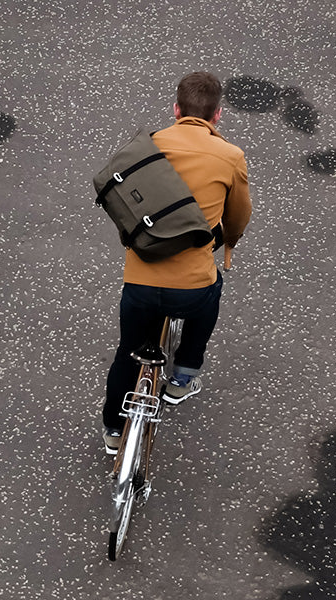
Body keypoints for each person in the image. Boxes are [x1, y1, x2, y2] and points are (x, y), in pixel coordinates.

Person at [103, 71, 252, 454]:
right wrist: (229, 242)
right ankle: (182, 378)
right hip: (190, 289)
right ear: (217, 115)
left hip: (139, 284)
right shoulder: (230, 156)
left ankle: (113, 431)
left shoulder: (148, 147)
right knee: (212, 289)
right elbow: (237, 217)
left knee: (128, 350)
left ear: (175, 110)